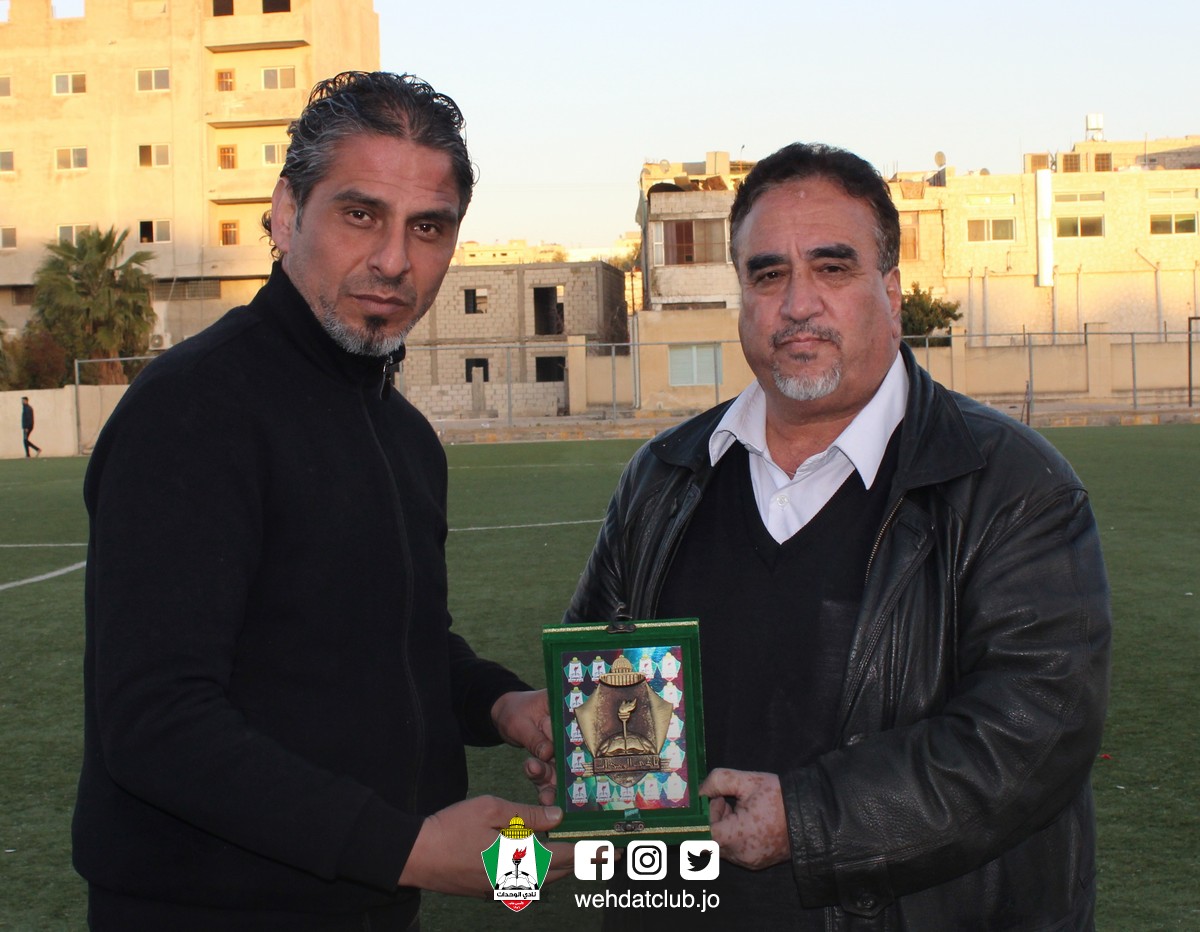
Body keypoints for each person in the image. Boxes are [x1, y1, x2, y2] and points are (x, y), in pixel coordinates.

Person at [560, 142, 1111, 929]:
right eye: (768, 275)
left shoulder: (1013, 486)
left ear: (890, 292)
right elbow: (599, 665)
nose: (797, 304)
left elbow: (1032, 737)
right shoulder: (663, 476)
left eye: (832, 268)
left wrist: (808, 822)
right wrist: (574, 741)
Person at [73, 72, 569, 931]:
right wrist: (409, 849)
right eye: (360, 214)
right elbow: (156, 721)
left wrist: (500, 704)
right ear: (285, 213)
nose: (394, 260)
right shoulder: (195, 406)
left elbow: (391, 638)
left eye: (428, 227)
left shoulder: (403, 433)